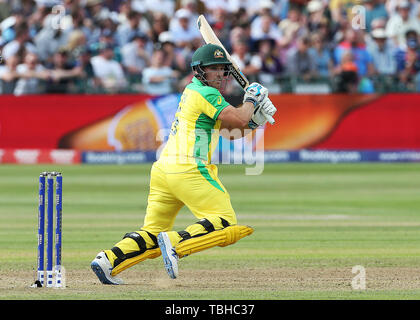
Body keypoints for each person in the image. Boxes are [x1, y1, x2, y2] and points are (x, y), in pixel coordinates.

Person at [90, 43, 277, 284]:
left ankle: (108, 260)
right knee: (224, 221)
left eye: (223, 69)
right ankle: (177, 242)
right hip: (189, 168)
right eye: (214, 69)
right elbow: (240, 116)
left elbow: (235, 127)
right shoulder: (206, 94)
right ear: (200, 71)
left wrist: (255, 119)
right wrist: (252, 99)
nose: (220, 74)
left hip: (164, 170)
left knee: (152, 233)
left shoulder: (194, 91)